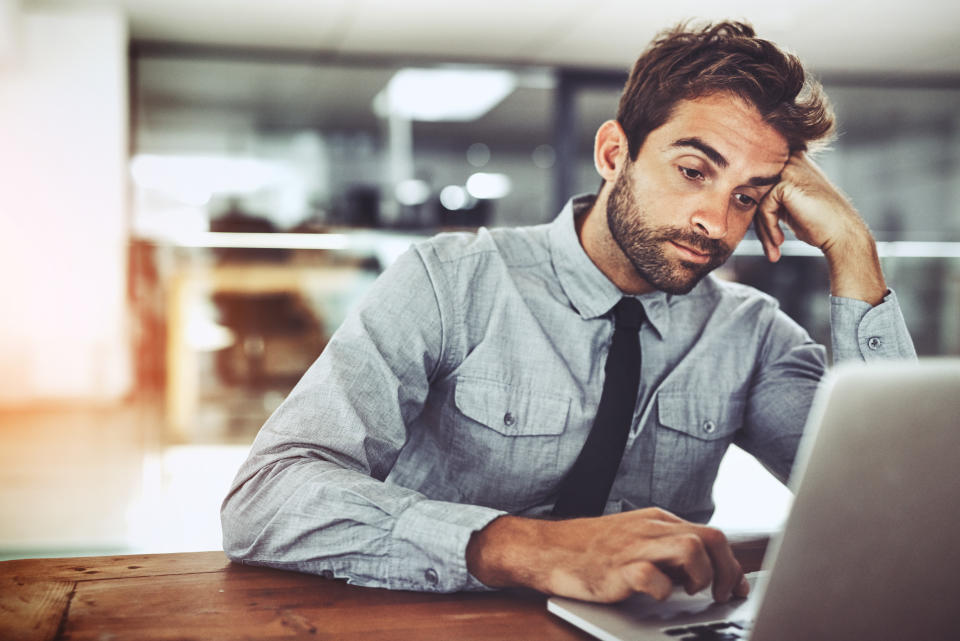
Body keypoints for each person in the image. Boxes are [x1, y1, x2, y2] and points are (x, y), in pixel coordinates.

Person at [221, 21, 916, 605]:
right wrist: (527, 547)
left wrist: (853, 248)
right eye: (694, 170)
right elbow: (267, 499)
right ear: (615, 153)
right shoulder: (452, 282)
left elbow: (899, 518)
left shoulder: (752, 336)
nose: (716, 221)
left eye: (748, 195)